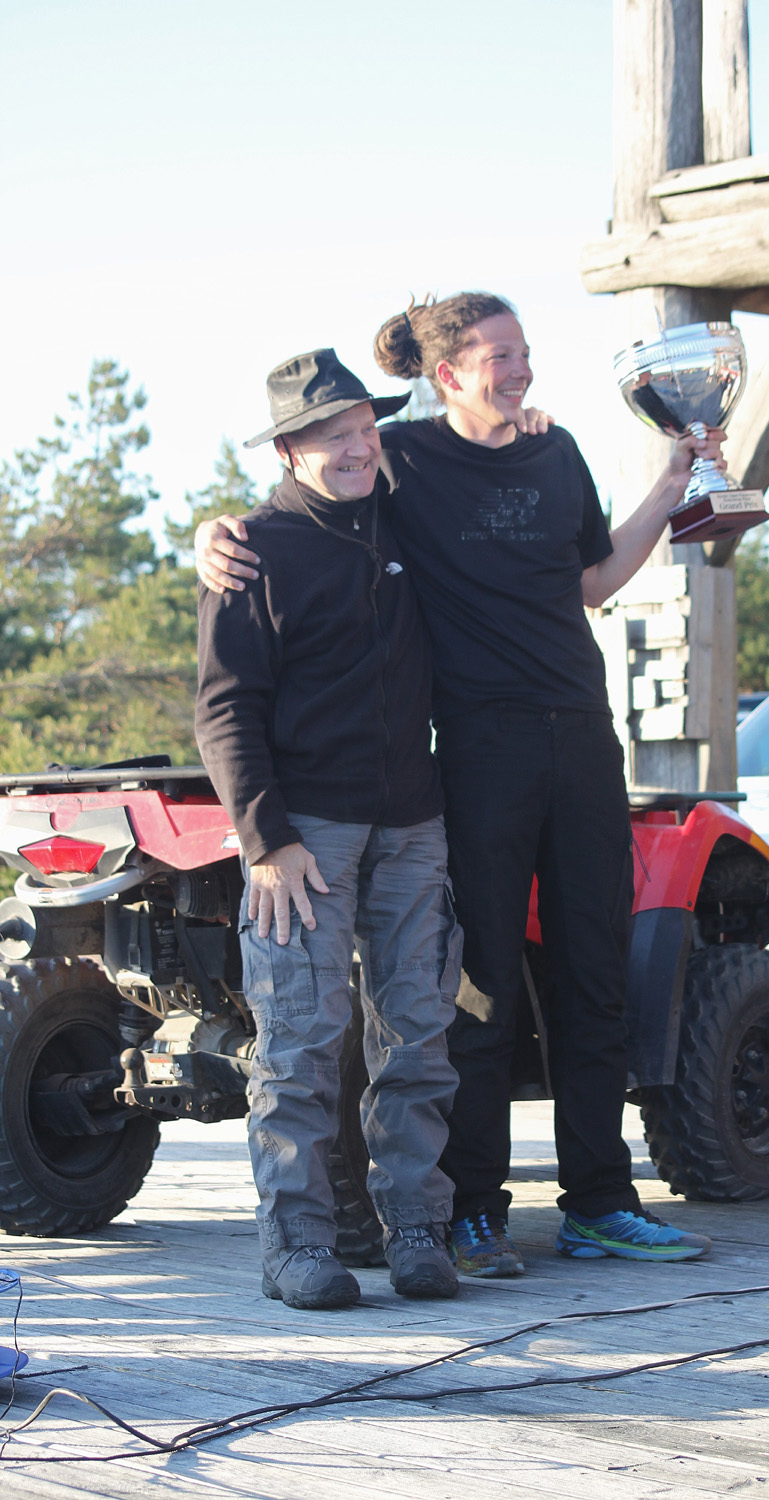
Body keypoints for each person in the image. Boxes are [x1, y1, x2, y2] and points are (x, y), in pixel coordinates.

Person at [197, 292, 723, 1274]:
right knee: (477, 987)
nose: (519, 371)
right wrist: (213, 535)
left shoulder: (555, 453)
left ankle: (599, 1201)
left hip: (580, 740)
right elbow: (306, 503)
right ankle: (472, 1210)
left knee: (593, 974)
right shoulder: (404, 462)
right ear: (447, 374)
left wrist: (672, 481)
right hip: (478, 750)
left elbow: (591, 581)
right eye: (497, 356)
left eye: (524, 352)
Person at [196, 348, 463, 1310]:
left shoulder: (410, 517)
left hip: (414, 824)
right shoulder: (251, 552)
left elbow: (475, 439)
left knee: (418, 1033)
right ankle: (296, 1246)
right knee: (301, 1043)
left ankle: (417, 1229)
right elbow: (224, 709)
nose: (356, 448)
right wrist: (265, 841)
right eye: (331, 436)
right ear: (288, 450)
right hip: (305, 837)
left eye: (363, 428)